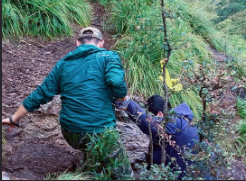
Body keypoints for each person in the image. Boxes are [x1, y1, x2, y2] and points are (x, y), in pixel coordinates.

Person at [2, 27, 135, 180]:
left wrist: (14, 118)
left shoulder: (63, 63)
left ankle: (89, 169)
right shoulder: (109, 56)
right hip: (99, 130)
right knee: (125, 176)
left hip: (71, 133)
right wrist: (122, 100)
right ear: (101, 43)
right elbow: (116, 81)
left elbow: (40, 94)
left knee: (92, 154)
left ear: (77, 43)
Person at [114, 94, 200, 180]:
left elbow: (150, 124)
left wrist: (126, 102)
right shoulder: (182, 124)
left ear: (159, 114)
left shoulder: (175, 122)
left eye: (153, 117)